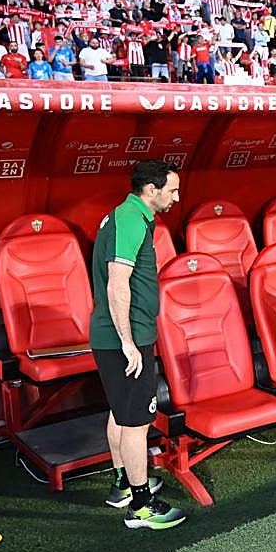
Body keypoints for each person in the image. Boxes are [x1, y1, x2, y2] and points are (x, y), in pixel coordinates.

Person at [89, 160, 185, 529]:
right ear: (151, 189)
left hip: (115, 336)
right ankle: (142, 506)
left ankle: (122, 485)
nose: (176, 197)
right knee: (136, 424)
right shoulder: (130, 219)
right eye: (172, 190)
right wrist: (129, 342)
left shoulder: (128, 216)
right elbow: (118, 283)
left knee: (120, 412)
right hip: (126, 339)